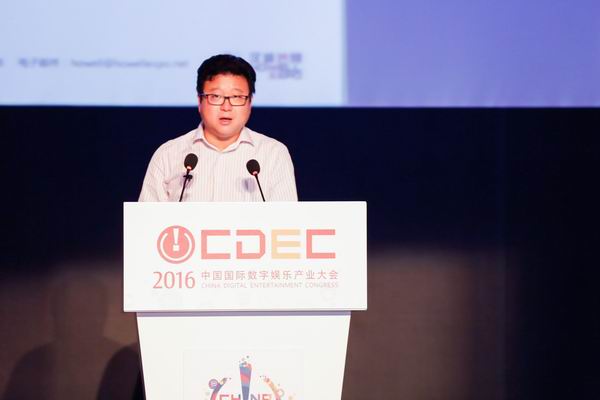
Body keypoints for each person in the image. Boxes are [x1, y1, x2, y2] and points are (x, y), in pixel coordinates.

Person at [138, 54, 297, 202]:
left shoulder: (273, 154)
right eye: (216, 96)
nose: (226, 107)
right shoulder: (168, 155)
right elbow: (146, 220)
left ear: (250, 102)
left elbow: (287, 219)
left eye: (236, 97)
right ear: (199, 101)